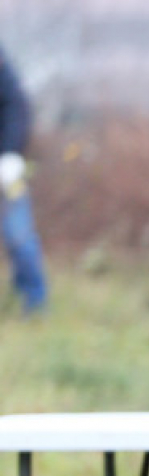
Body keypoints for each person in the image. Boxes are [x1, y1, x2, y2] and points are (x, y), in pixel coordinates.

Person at [0, 44, 47, 315]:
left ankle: (35, 303)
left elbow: (17, 110)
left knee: (19, 235)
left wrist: (10, 154)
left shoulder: (5, 76)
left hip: (7, 171)